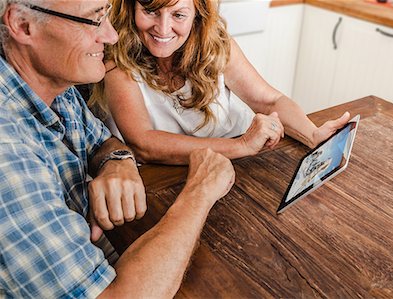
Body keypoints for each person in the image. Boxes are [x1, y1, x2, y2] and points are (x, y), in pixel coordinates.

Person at [0, 0, 234, 297]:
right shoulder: (7, 150)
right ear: (22, 25)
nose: (111, 36)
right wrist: (200, 192)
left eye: (106, 15)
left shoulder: (54, 85)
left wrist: (117, 162)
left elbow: (103, 142)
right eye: (93, 20)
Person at [89, 0, 351, 165]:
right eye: (150, 11)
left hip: (242, 166)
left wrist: (313, 134)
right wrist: (242, 145)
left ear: (197, 15)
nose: (163, 28)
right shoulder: (117, 58)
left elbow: (270, 100)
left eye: (178, 15)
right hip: (176, 181)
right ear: (132, 6)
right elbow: (144, 144)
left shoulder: (216, 45)